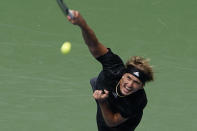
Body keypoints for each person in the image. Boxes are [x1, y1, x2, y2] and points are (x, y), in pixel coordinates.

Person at [67, 10, 154, 131]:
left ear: (142, 86)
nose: (129, 85)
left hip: (120, 125)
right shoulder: (114, 68)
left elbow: (112, 122)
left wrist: (102, 102)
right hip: (105, 88)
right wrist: (82, 24)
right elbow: (94, 45)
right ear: (123, 74)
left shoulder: (138, 101)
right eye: (128, 78)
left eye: (136, 82)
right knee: (97, 82)